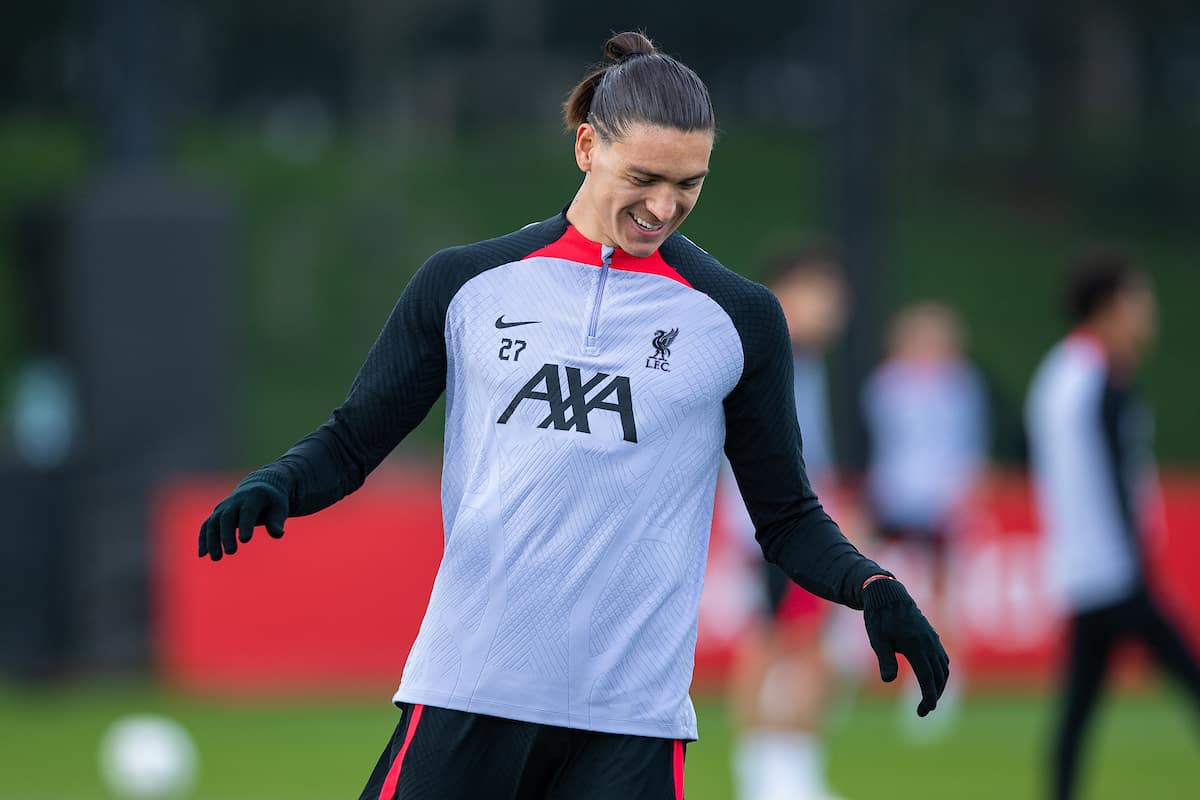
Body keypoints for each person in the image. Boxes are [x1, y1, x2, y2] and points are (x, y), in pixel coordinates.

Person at [199, 32, 949, 800]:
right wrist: (282, 481)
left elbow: (786, 516)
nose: (664, 207)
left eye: (690, 183)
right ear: (587, 146)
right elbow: (355, 439)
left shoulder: (740, 320)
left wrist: (873, 586)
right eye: (646, 177)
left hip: (631, 728)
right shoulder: (465, 284)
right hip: (468, 692)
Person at [1025, 253, 1200, 800]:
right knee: (1188, 676)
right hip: (1113, 567)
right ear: (1110, 308)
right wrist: (1138, 558)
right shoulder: (1101, 378)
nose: (1148, 313)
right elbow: (1116, 480)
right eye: (1139, 301)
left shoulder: (1059, 372)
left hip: (1080, 566)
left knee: (1078, 708)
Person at [722, 244, 853, 800]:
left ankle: (783, 771)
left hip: (790, 523)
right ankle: (769, 774)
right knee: (780, 644)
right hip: (774, 527)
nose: (834, 307)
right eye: (822, 294)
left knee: (796, 644)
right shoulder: (766, 352)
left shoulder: (805, 361)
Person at [860, 302, 988, 731]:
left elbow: (968, 446)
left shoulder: (960, 386)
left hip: (941, 503)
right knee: (873, 585)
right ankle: (856, 675)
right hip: (894, 499)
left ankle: (942, 682)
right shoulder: (888, 384)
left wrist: (964, 494)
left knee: (942, 597)